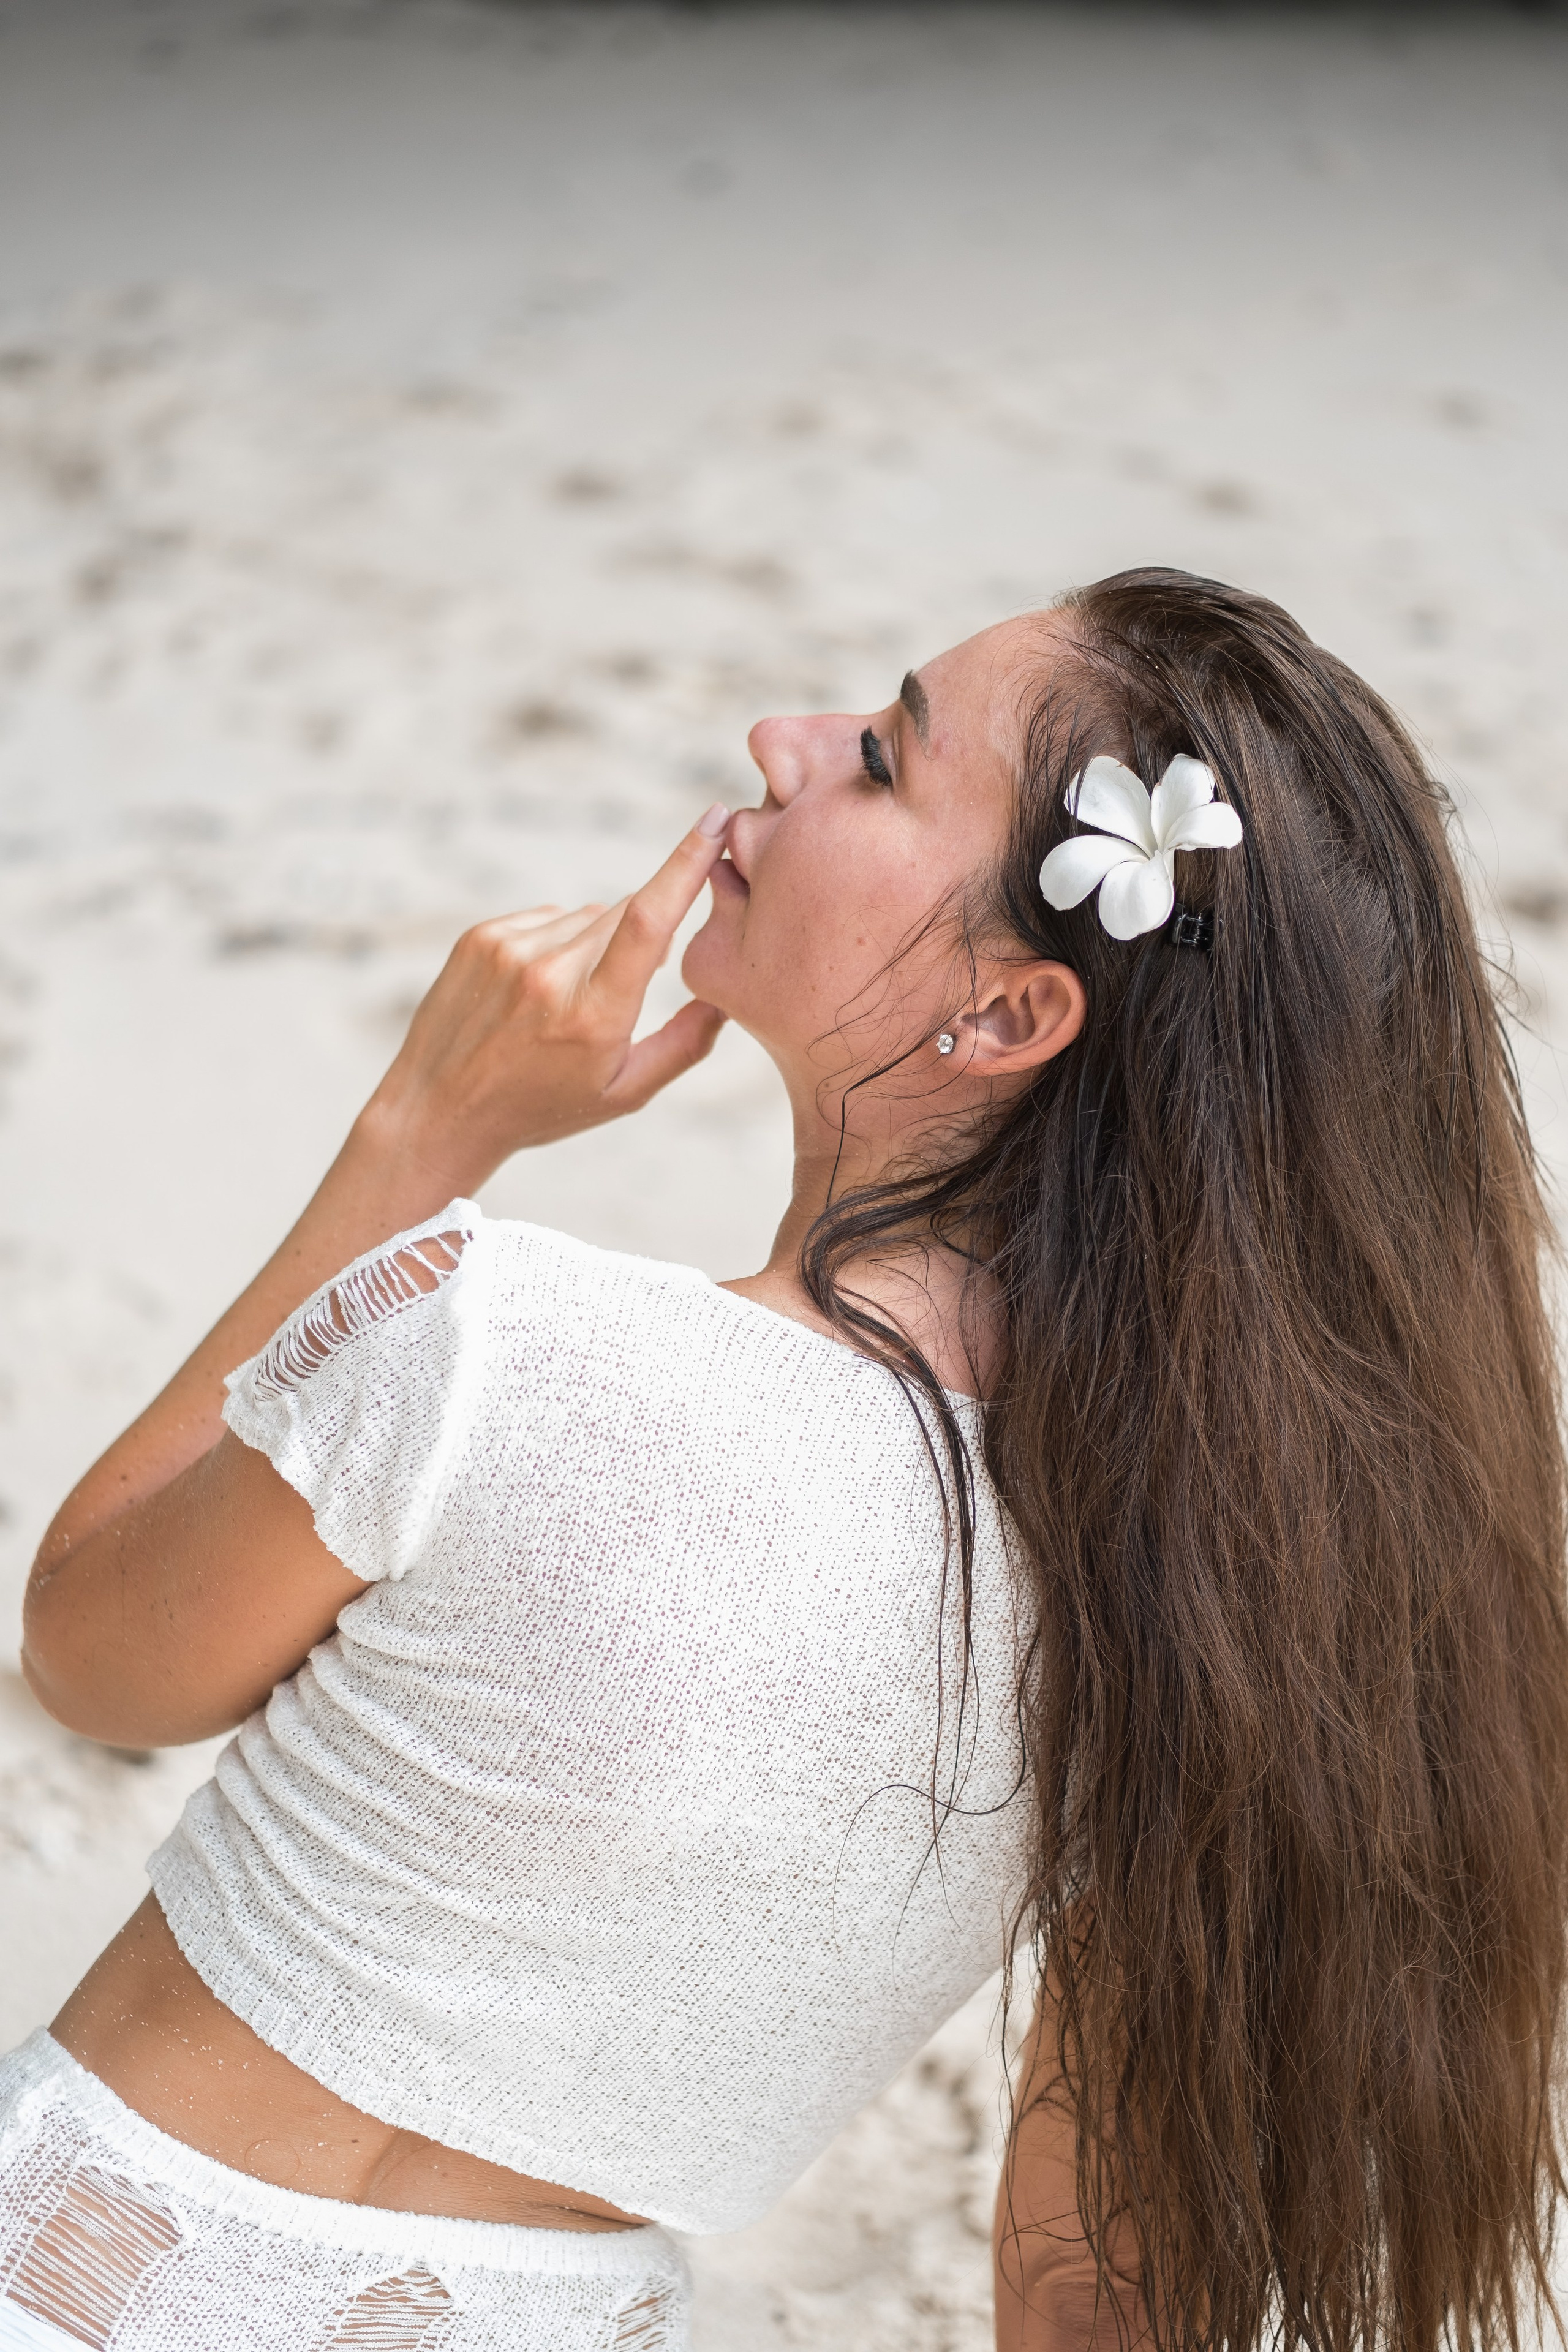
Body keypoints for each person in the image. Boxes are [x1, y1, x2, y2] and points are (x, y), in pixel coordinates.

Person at [7, 567, 1566, 2352]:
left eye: (885, 757)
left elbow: (96, 1657)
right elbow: (1087, 2284)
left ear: (1001, 1017)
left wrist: (425, 1133)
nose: (784, 742)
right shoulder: (1184, 1637)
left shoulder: (499, 1341)